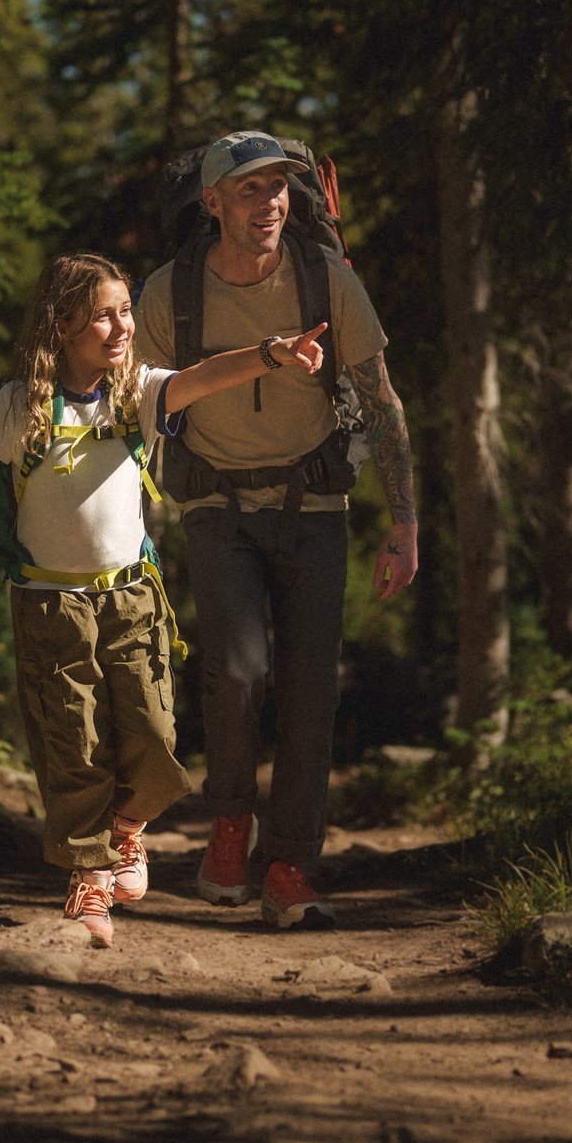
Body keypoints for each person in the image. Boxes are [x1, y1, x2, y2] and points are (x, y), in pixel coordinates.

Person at [0, 251, 328, 947]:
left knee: (154, 733)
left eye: (125, 313)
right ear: (62, 324)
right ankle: (87, 879)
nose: (121, 327)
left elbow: (204, 377)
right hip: (51, 604)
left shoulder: (136, 392)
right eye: (105, 315)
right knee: (73, 742)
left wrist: (269, 354)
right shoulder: (21, 402)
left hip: (132, 599)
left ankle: (127, 830)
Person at [136, 132, 418, 930]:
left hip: (314, 506)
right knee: (234, 670)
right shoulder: (171, 291)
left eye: (280, 188)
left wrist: (404, 520)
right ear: (213, 202)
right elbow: (142, 410)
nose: (270, 204)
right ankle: (230, 824)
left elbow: (382, 398)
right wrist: (136, 520)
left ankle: (290, 862)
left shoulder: (324, 278)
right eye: (251, 190)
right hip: (215, 505)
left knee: (311, 691)